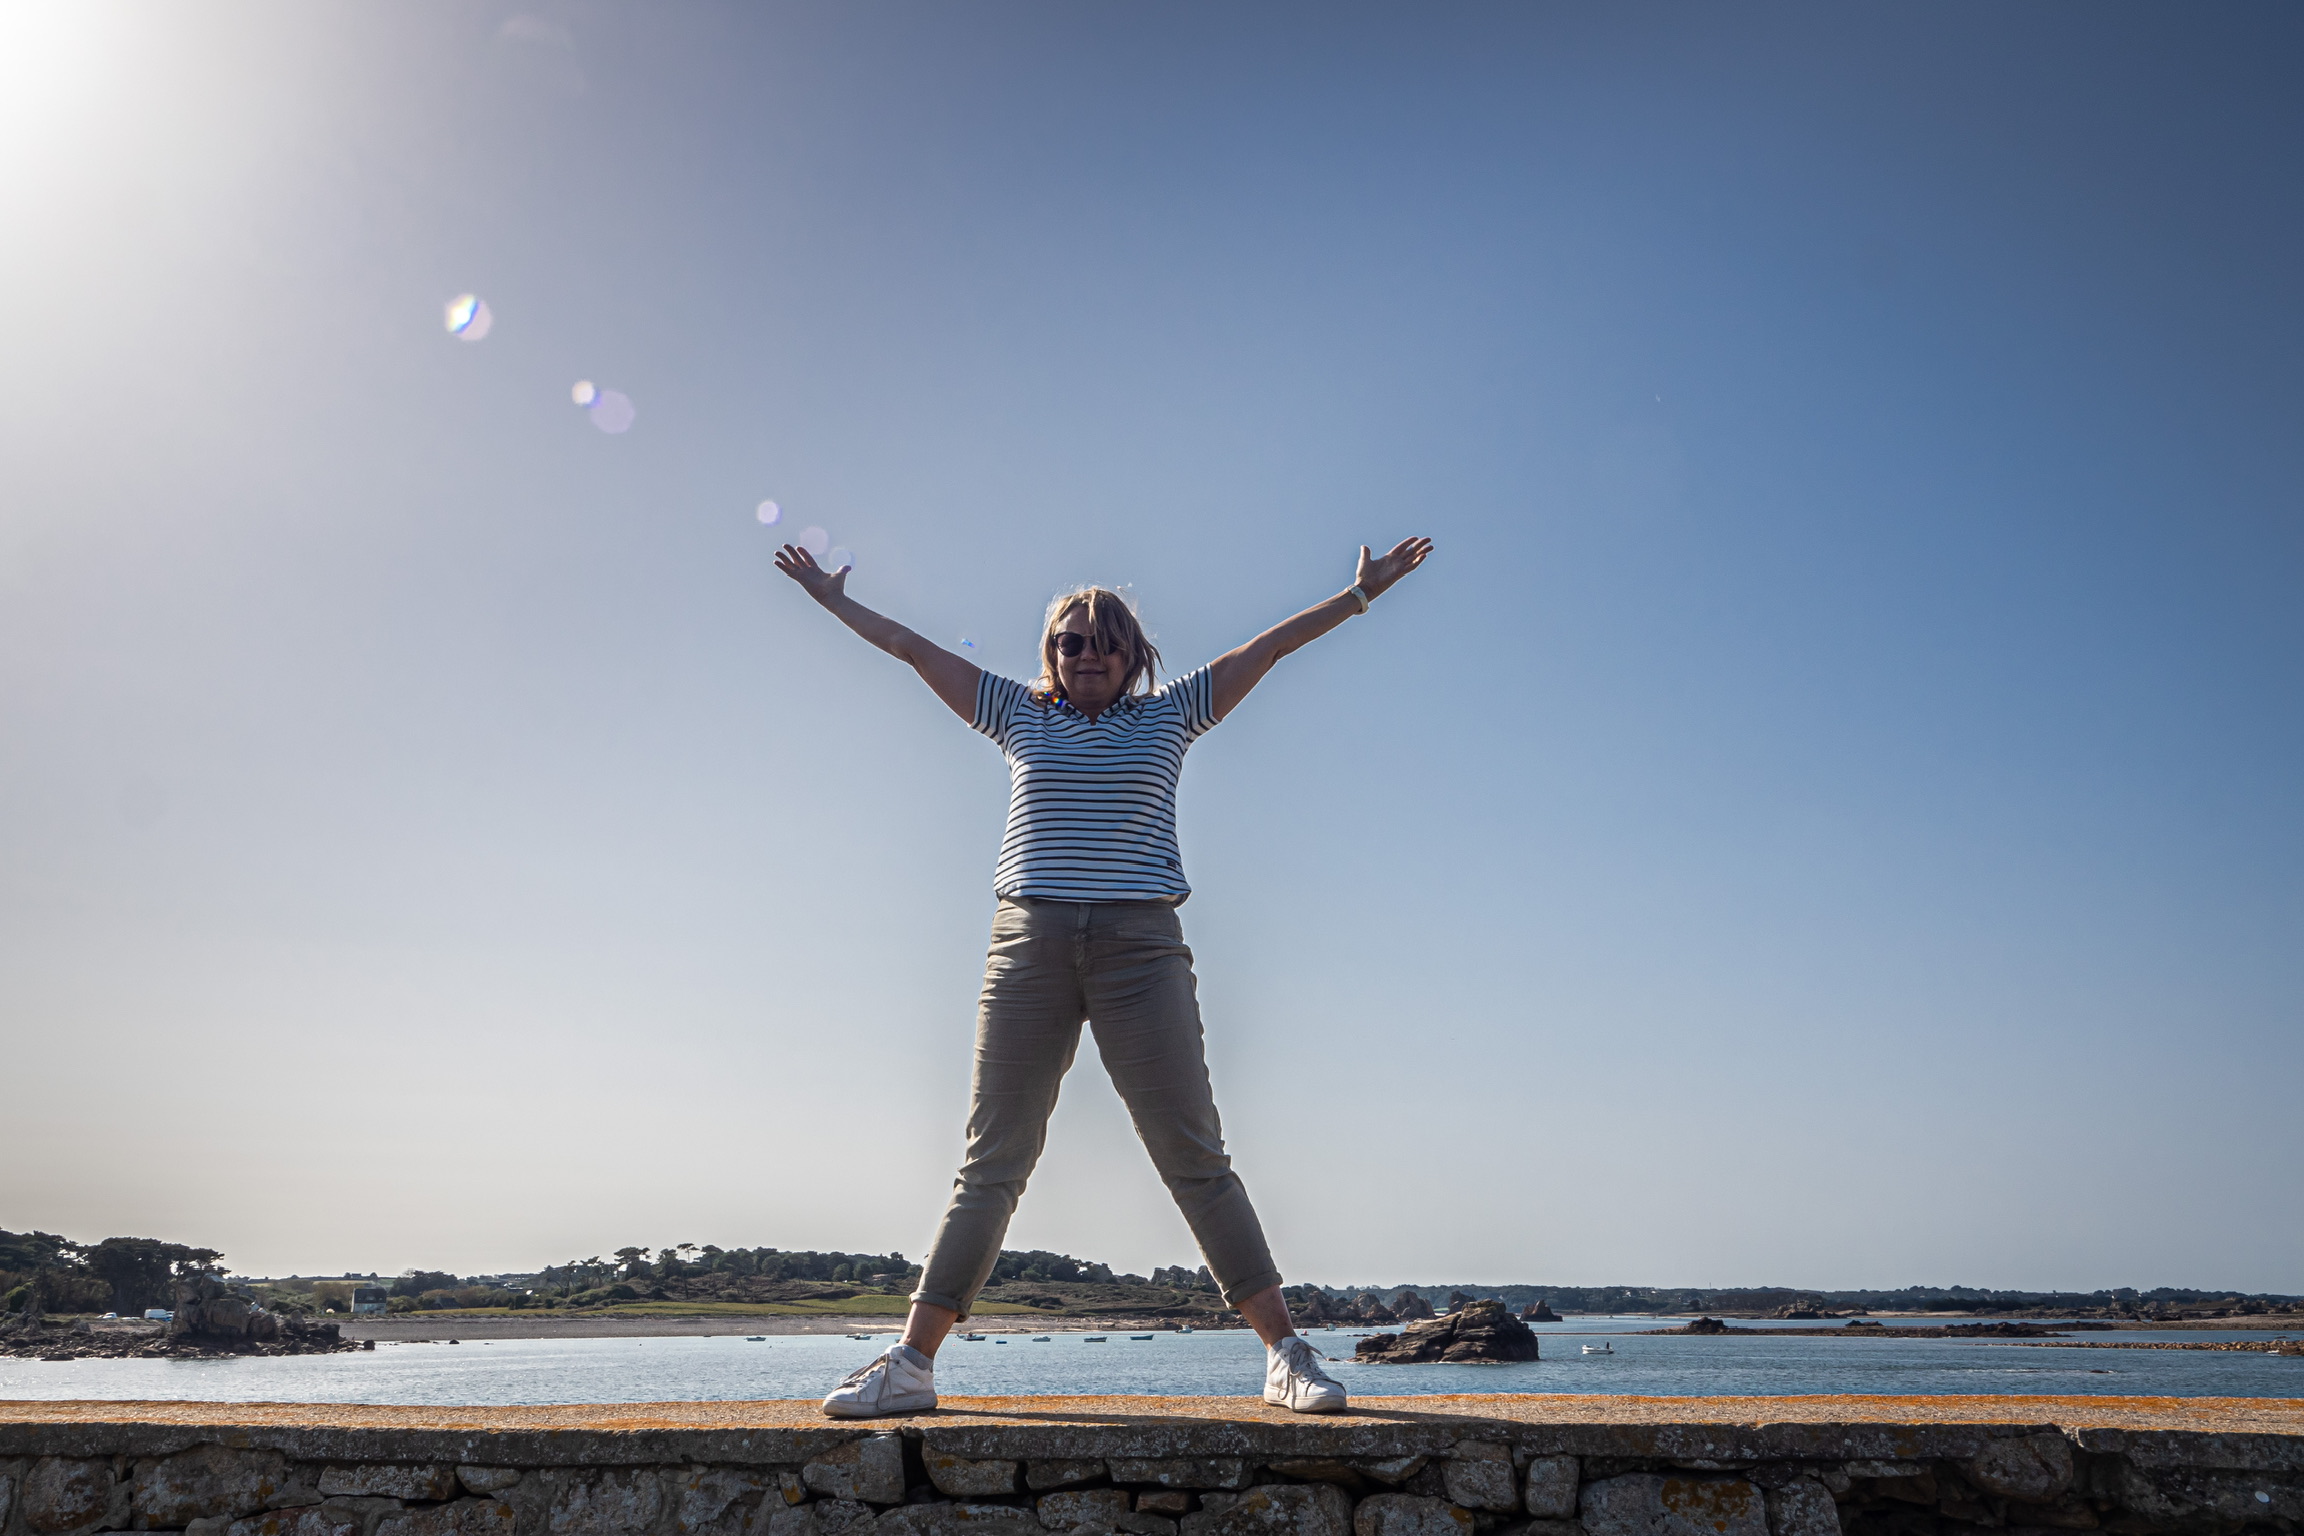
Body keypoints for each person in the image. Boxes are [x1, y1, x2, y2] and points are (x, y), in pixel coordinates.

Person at [773, 534, 1435, 1417]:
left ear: (1132, 654)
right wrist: (833, 603)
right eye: (1069, 641)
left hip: (1141, 949)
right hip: (1028, 947)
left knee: (1193, 1155)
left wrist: (1358, 597)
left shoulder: (1173, 715)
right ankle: (911, 1365)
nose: (1087, 653)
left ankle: (1285, 1355)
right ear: (1050, 655)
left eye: (1103, 639)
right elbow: (909, 647)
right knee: (991, 1163)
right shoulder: (1017, 714)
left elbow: (1266, 647)